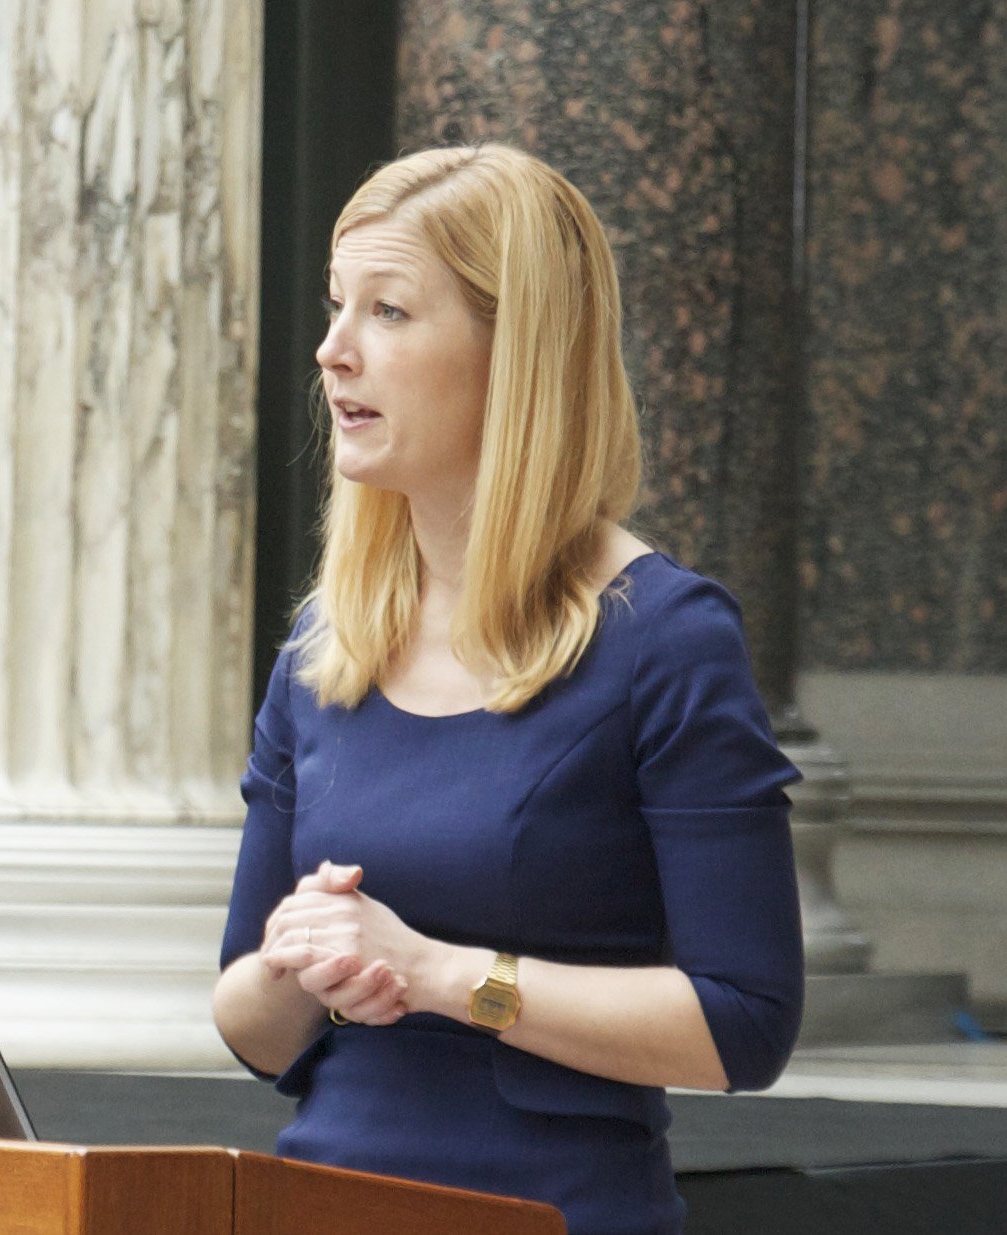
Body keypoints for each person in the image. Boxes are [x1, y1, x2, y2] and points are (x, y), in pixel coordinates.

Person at [211, 144, 803, 1235]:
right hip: (315, 1198)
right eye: (338, 308)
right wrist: (299, 958)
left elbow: (744, 1024)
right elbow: (251, 1025)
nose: (330, 351)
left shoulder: (663, 638)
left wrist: (442, 975)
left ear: (515, 351)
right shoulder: (322, 644)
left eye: (386, 312)